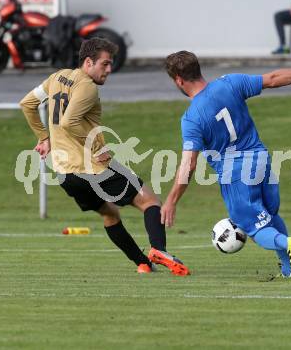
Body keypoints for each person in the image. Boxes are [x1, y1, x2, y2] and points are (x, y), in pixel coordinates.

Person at [162, 50, 291, 279]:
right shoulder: (230, 83)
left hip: (236, 174)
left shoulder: (192, 118)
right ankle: (289, 269)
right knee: (268, 216)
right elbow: (274, 79)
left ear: (178, 80)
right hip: (261, 160)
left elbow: (189, 164)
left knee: (255, 228)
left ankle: (288, 242)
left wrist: (171, 200)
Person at [19, 37, 190, 276]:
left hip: (65, 174)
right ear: (88, 62)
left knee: (110, 214)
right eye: (105, 64)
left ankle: (142, 264)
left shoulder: (56, 77)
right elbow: (69, 122)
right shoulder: (87, 85)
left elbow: (27, 104)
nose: (109, 70)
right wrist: (97, 148)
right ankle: (159, 250)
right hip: (95, 169)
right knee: (150, 201)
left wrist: (43, 137)